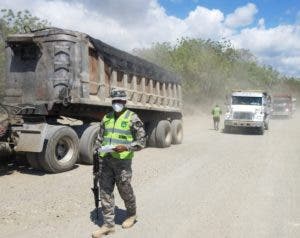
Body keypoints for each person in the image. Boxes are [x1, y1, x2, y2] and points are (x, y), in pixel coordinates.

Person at [92, 89, 146, 238]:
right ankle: (108, 225)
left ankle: (132, 214)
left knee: (125, 189)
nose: (117, 104)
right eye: (114, 101)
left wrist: (126, 147)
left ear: (125, 102)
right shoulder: (106, 118)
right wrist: (96, 154)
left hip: (122, 162)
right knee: (105, 191)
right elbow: (99, 138)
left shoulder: (132, 118)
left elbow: (142, 142)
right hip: (106, 161)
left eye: (120, 101)